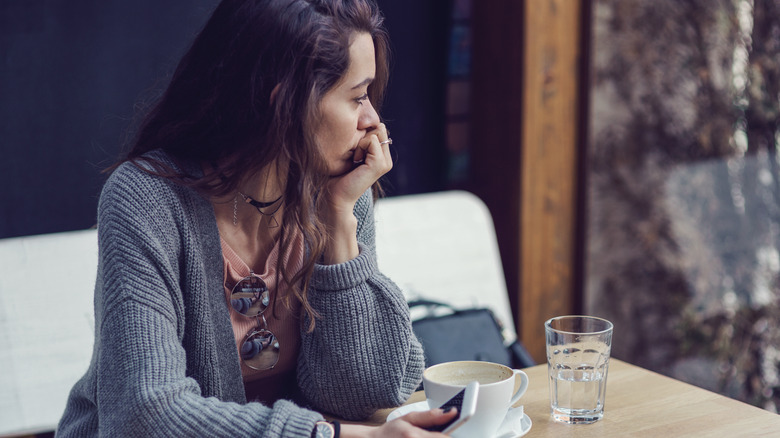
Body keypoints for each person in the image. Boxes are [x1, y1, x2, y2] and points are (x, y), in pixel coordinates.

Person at [55, 0, 457, 436]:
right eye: (357, 97)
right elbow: (145, 415)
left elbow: (364, 393)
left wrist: (340, 221)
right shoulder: (146, 200)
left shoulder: (334, 189)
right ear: (284, 102)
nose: (372, 120)